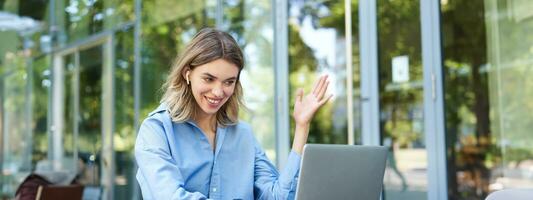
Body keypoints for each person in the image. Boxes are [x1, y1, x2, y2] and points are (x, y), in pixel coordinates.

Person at [134, 28, 331, 200]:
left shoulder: (243, 135)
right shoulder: (157, 130)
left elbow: (276, 196)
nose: (219, 92)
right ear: (187, 73)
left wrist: (301, 127)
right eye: (209, 79)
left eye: (229, 82)